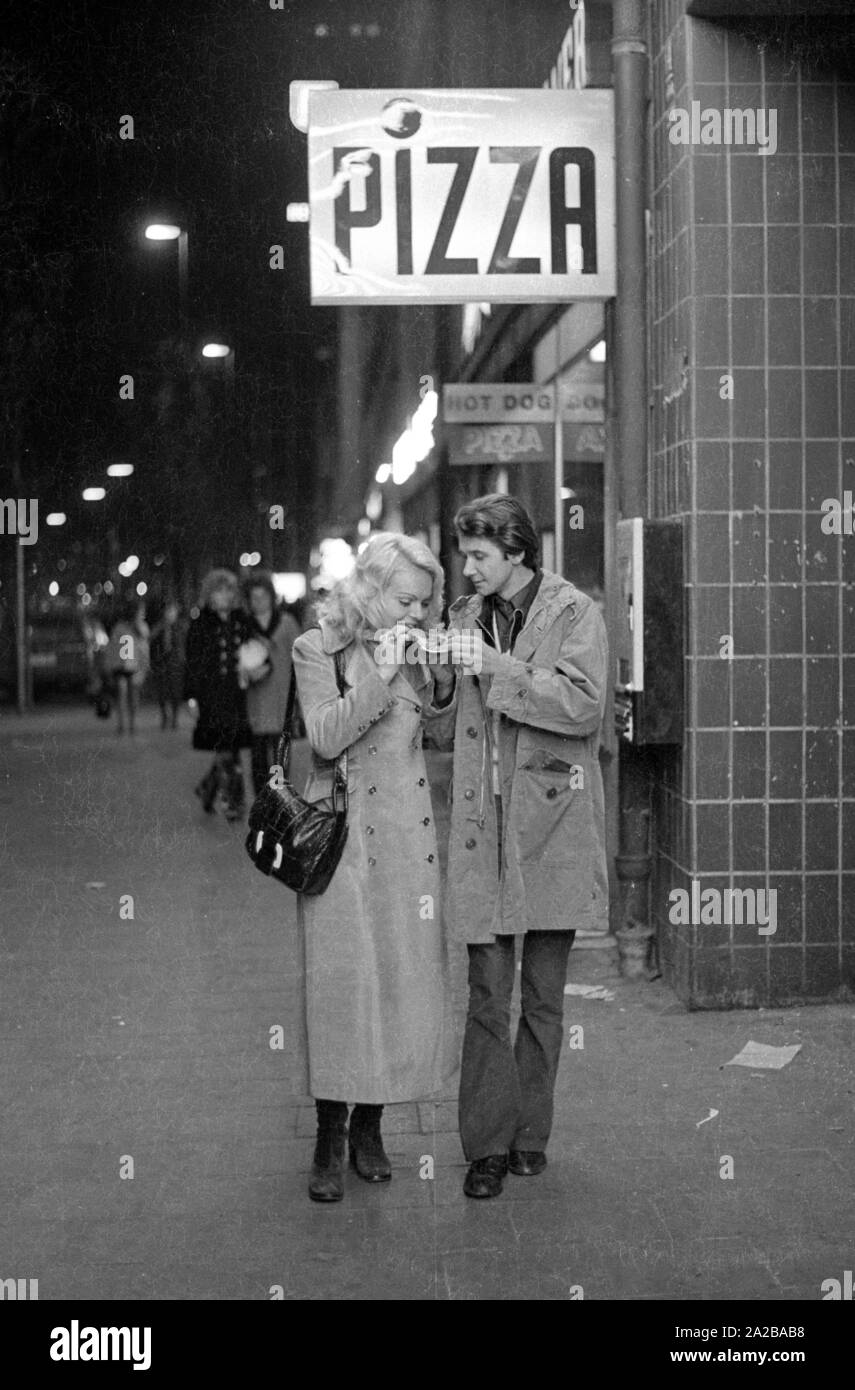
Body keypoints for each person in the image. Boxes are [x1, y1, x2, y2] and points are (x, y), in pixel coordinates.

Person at [435, 494, 608, 1200]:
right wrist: (435, 669)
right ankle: (485, 1148)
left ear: (514, 551)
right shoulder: (461, 617)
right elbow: (440, 718)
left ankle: (530, 1135)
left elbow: (582, 705)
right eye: (463, 555)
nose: (467, 568)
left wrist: (494, 669)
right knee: (485, 994)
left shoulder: (574, 614)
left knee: (541, 997)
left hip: (550, 831)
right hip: (483, 834)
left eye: (478, 556)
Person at [291, 532, 458, 1203]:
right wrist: (382, 674)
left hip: (407, 848)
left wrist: (440, 675)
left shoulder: (415, 648)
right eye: (404, 599)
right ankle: (328, 1138)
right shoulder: (317, 648)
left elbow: (440, 738)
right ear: (368, 587)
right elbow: (325, 735)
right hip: (344, 846)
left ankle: (371, 1127)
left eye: (424, 602)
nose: (415, 613)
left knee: (398, 986)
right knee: (342, 991)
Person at [183, 569, 252, 821]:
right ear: (209, 595)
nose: (224, 596)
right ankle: (234, 801)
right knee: (226, 750)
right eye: (218, 591)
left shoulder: (242, 620)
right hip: (211, 696)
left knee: (230, 748)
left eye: (228, 590)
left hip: (237, 695)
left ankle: (208, 789)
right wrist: (191, 697)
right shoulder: (201, 624)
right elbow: (192, 662)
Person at [242, 572, 301, 796]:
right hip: (255, 704)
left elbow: (300, 658)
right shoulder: (245, 626)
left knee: (280, 758)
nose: (259, 602)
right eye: (254, 598)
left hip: (280, 700)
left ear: (271, 597)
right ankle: (261, 802)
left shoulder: (286, 623)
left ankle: (279, 799)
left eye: (263, 597)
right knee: (257, 758)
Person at [105, 600, 150, 736]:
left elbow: (143, 648)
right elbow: (113, 647)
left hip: (129, 665)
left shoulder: (136, 627)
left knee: (129, 695)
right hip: (125, 665)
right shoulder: (123, 627)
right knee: (126, 695)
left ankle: (128, 723)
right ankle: (125, 724)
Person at [148, 599, 187, 731]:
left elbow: (185, 645)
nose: (170, 614)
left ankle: (175, 718)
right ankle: (165, 716)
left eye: (172, 611)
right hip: (162, 663)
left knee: (176, 692)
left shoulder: (181, 627)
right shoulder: (159, 627)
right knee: (162, 692)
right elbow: (151, 641)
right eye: (168, 611)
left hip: (176, 663)